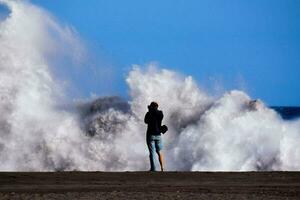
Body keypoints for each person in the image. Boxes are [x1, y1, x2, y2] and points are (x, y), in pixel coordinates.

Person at [144, 101, 164, 171]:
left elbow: (146, 121)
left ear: (151, 107)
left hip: (150, 135)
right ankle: (162, 168)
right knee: (159, 152)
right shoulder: (160, 113)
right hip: (158, 135)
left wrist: (149, 111)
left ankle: (153, 168)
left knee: (152, 152)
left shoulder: (149, 113)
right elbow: (159, 118)